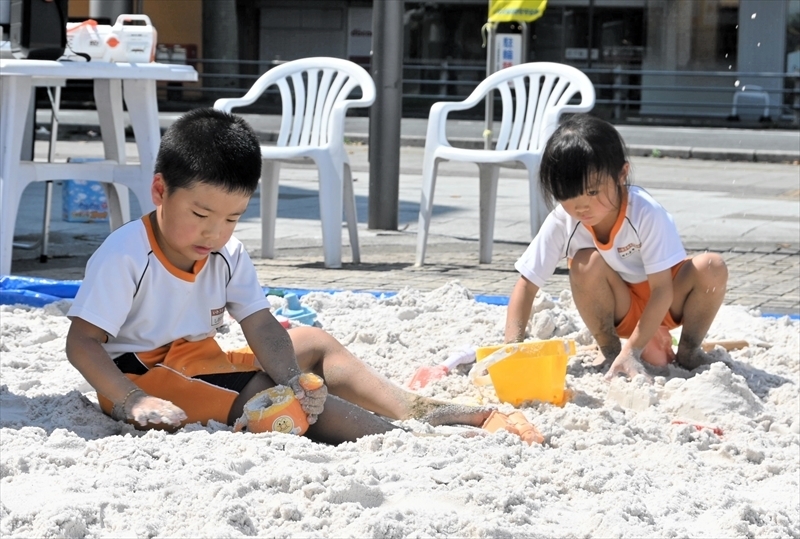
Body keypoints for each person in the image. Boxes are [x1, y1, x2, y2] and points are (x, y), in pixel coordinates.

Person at [65, 108, 492, 444]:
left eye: (232, 218)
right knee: (278, 401)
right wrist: (129, 400)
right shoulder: (125, 255)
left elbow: (260, 323)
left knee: (314, 346)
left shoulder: (226, 252)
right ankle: (393, 438)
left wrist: (293, 373)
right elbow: (82, 343)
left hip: (201, 359)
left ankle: (411, 408)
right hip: (144, 376)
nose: (214, 232)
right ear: (160, 191)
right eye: (200, 215)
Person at [504, 114, 728, 379]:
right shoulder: (564, 220)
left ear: (621, 174)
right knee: (585, 261)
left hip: (666, 300)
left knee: (712, 266)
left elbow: (662, 290)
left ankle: (689, 351)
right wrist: (510, 348)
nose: (581, 207)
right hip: (619, 308)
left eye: (593, 192)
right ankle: (610, 351)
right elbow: (527, 284)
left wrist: (633, 351)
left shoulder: (645, 212)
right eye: (567, 195)